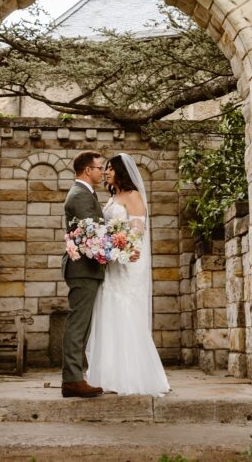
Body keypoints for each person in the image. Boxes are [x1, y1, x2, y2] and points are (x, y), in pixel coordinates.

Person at [85, 152, 171, 396]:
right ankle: (109, 374)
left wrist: (124, 251)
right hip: (113, 262)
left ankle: (132, 375)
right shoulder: (112, 198)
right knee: (108, 312)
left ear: (121, 171)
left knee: (125, 312)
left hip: (128, 262)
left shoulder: (133, 196)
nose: (107, 172)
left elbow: (137, 231)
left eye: (110, 168)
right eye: (106, 168)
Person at [60, 150, 106, 398]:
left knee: (83, 325)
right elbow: (94, 235)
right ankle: (72, 380)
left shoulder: (85, 194)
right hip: (82, 269)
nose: (102, 172)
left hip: (88, 269)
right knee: (78, 325)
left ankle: (76, 377)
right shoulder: (79, 195)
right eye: (100, 168)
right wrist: (117, 248)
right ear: (88, 170)